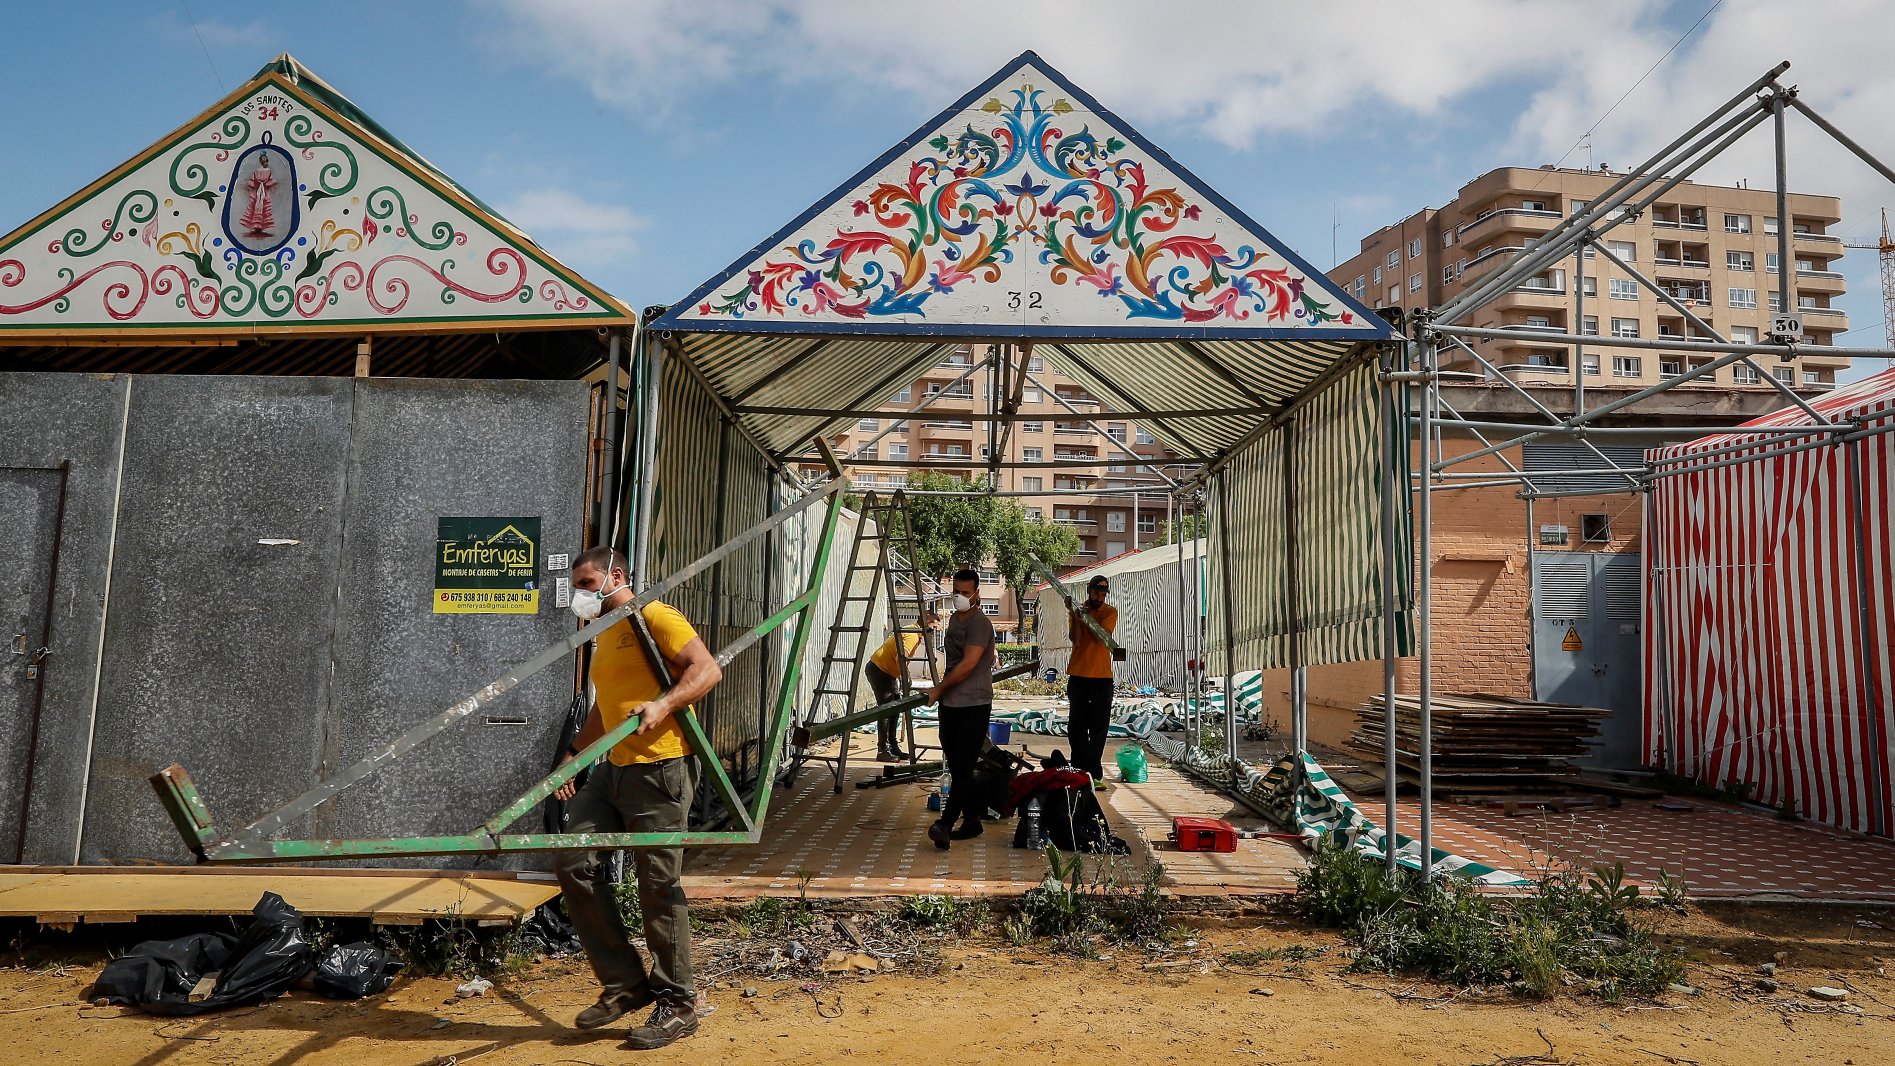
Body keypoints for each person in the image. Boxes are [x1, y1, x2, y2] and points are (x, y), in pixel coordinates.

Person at [551, 546, 722, 1051]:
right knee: (571, 859)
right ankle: (625, 984)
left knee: (657, 885)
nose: (580, 594)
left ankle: (678, 1002)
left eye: (587, 583)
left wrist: (665, 703)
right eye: (578, 586)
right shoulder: (606, 633)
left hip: (660, 769)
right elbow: (608, 709)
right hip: (613, 769)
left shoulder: (653, 615)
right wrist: (573, 757)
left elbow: (706, 669)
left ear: (615, 576)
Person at [922, 569, 994, 849]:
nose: (960, 598)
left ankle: (945, 824)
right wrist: (942, 693)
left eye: (966, 593)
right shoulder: (954, 619)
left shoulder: (980, 624)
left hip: (973, 704)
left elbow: (966, 666)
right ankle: (973, 820)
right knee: (958, 765)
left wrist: (938, 689)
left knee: (963, 766)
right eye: (957, 592)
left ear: (977, 594)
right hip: (951, 703)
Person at [863, 609, 939, 761]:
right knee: (886, 709)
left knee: (895, 709)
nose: (934, 630)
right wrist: (906, 679)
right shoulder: (911, 635)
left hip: (888, 672)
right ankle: (882, 750)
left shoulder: (914, 632)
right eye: (933, 625)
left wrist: (902, 677)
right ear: (925, 622)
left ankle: (893, 746)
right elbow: (900, 659)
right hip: (880, 670)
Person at [1066, 574, 1119, 786]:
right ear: (1089, 591)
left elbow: (1102, 636)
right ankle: (1078, 768)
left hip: (1102, 678)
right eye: (1096, 592)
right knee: (1076, 726)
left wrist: (1083, 615)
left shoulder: (1110, 612)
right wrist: (1076, 616)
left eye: (1103, 593)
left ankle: (1093, 772)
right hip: (1079, 675)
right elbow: (1076, 640)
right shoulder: (1078, 610)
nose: (1099, 597)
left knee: (1099, 727)